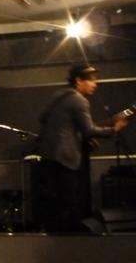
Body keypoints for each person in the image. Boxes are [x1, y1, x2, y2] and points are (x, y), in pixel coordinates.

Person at [36, 64, 128, 232]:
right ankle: (72, 239)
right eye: (91, 80)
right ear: (78, 80)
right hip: (65, 158)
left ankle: (56, 239)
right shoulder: (79, 100)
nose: (95, 84)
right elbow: (89, 130)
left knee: (56, 205)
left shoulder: (59, 96)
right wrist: (114, 129)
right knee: (70, 203)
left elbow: (44, 118)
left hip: (49, 156)